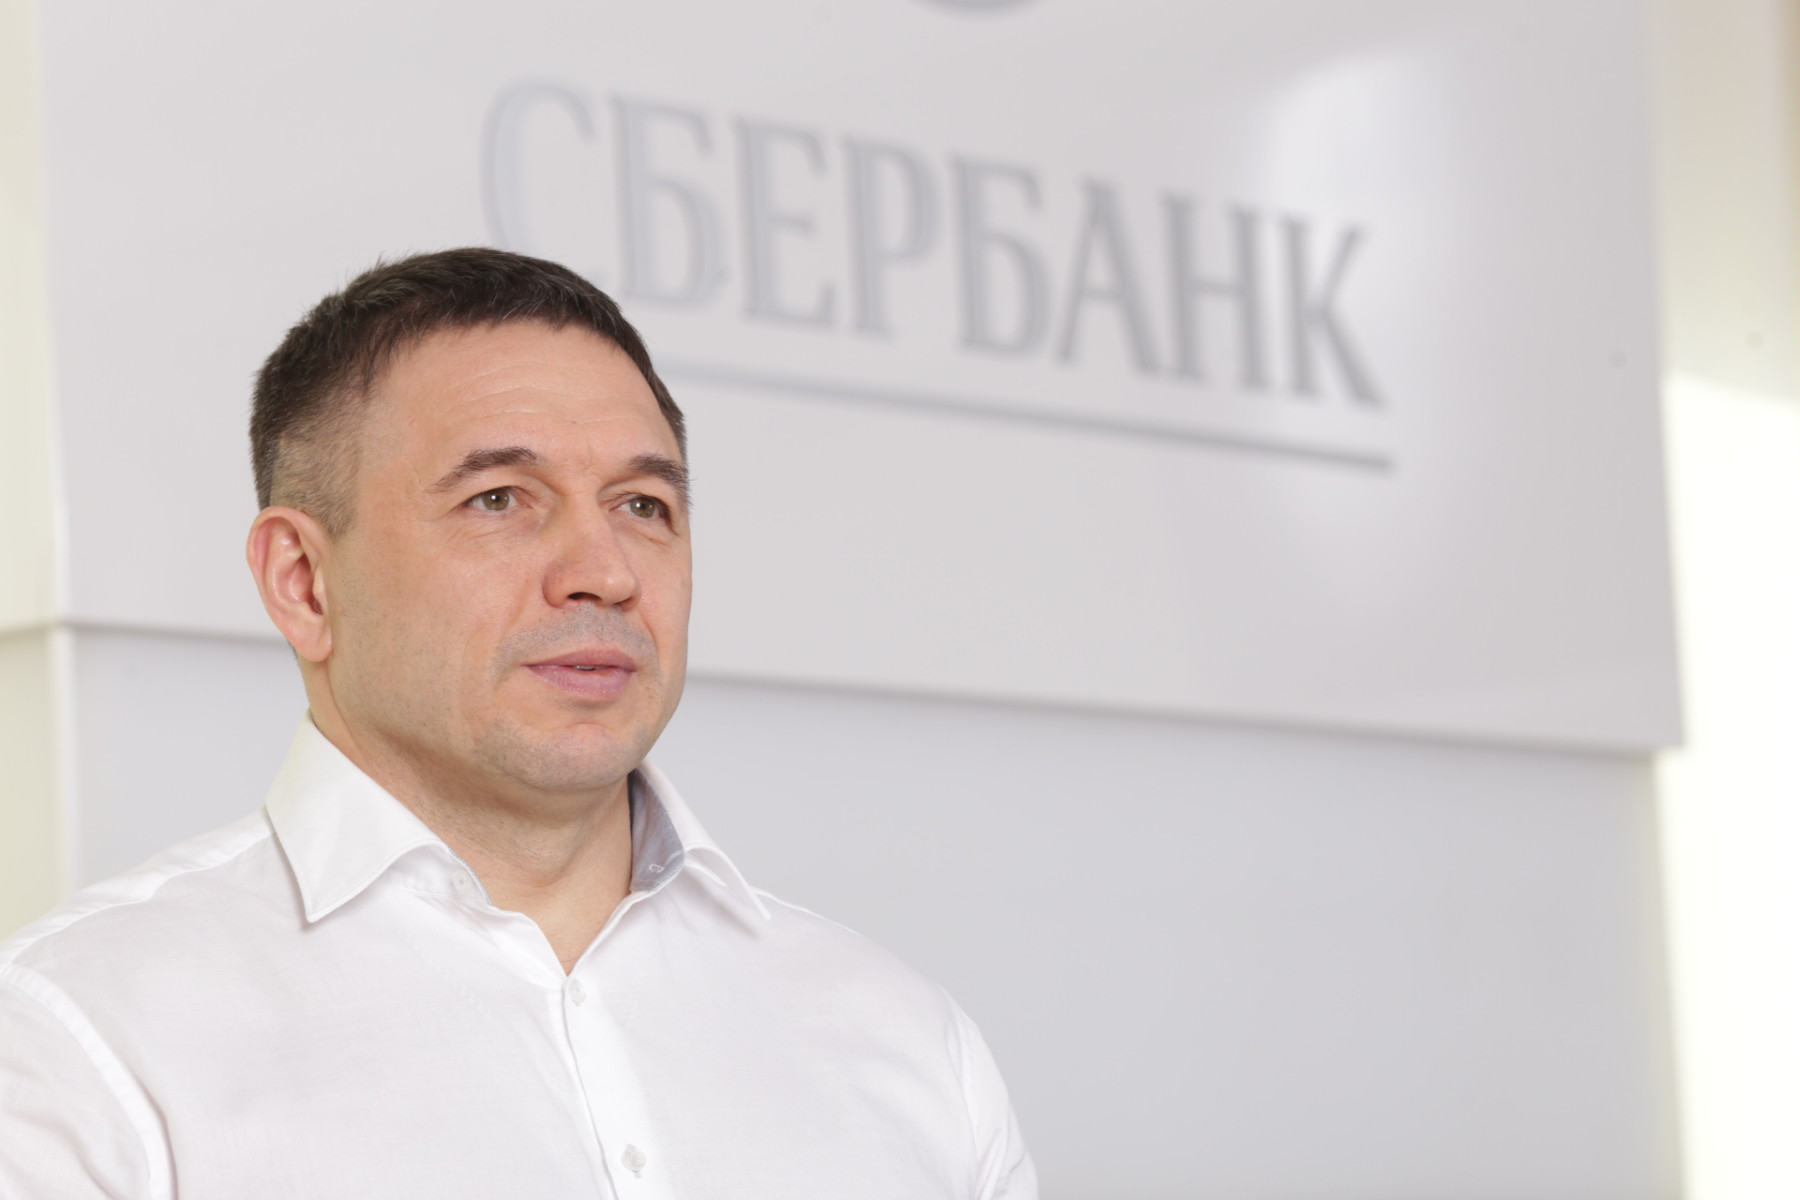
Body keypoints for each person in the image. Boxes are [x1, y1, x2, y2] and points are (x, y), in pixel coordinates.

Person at [0, 248, 1037, 1199]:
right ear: (305, 581)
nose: (606, 572)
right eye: (500, 498)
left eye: (643, 505)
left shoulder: (907, 1043)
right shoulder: (77, 1045)